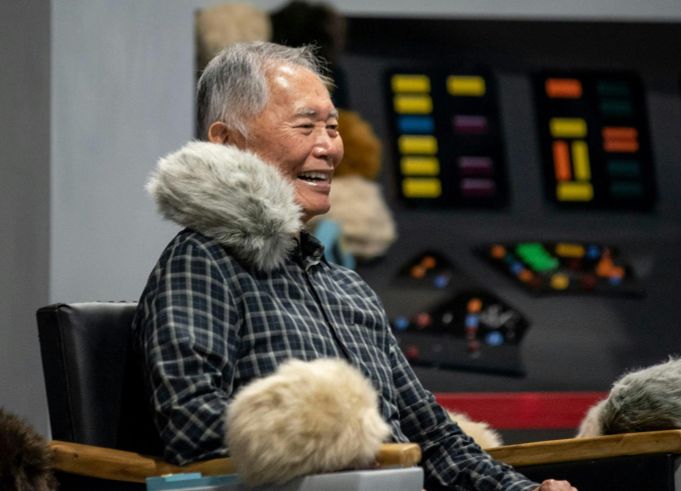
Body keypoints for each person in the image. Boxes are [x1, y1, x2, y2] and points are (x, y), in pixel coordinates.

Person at [134, 42, 576, 491]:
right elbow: (191, 426)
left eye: (332, 127)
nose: (329, 148)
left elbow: (433, 437)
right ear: (226, 141)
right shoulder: (202, 261)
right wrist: (341, 442)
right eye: (306, 126)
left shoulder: (348, 287)